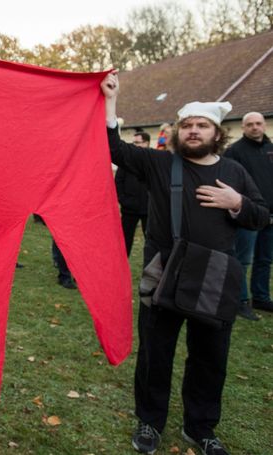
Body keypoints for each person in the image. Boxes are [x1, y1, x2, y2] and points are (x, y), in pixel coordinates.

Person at [101, 70, 269, 455]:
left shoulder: (235, 172)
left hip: (215, 275)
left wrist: (238, 203)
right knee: (155, 352)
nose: (193, 131)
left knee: (210, 358)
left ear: (216, 132)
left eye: (202, 125)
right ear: (179, 131)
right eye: (187, 125)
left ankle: (201, 427)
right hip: (164, 271)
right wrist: (111, 101)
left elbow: (261, 216)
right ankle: (150, 422)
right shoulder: (161, 164)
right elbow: (115, 149)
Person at [224, 112, 273, 321]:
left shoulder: (270, 148)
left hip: (270, 215)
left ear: (264, 125)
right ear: (243, 128)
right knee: (243, 259)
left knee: (265, 259)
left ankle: (261, 297)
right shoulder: (234, 152)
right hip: (248, 214)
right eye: (250, 124)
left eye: (258, 123)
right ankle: (240, 300)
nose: (255, 127)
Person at [115, 131, 150, 256]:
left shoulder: (155, 160)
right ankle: (121, 270)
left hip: (149, 209)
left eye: (137, 142)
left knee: (151, 241)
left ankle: (152, 270)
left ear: (146, 143)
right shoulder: (127, 160)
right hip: (129, 208)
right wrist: (123, 200)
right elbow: (118, 181)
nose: (134, 145)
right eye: (133, 142)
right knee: (124, 241)